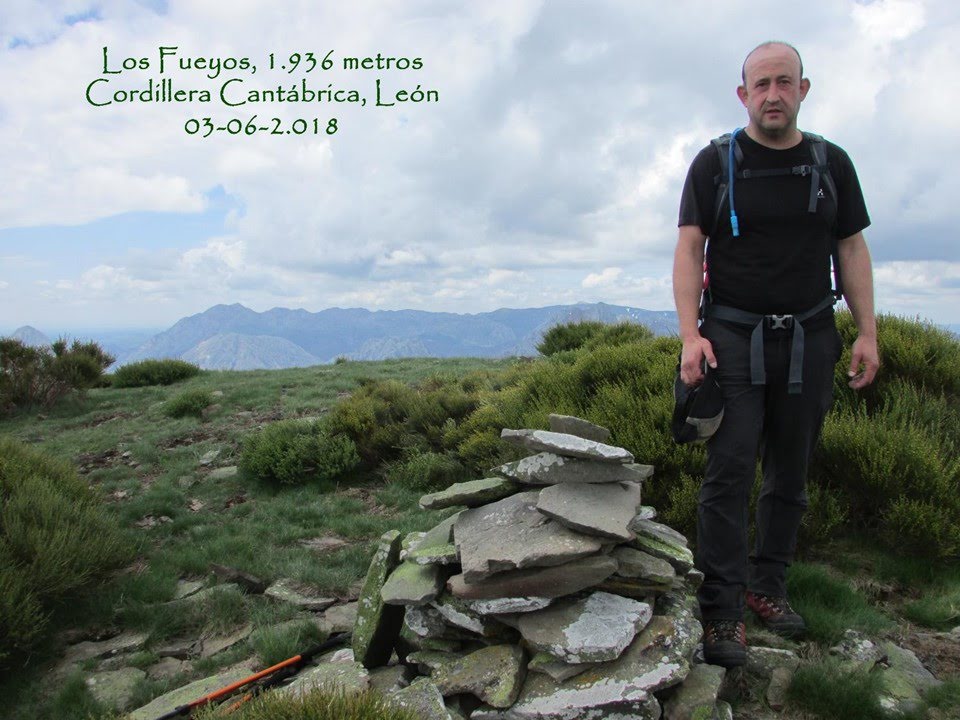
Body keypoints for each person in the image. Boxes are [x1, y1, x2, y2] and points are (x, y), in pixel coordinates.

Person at [672, 41, 879, 668]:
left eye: (784, 82)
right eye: (760, 84)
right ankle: (722, 610)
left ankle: (768, 587)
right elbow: (689, 248)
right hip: (732, 338)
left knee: (791, 472)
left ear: (803, 89)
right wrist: (690, 336)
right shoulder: (715, 163)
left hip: (812, 337)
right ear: (743, 95)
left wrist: (866, 331)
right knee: (729, 473)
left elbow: (851, 248)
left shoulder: (831, 162)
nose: (772, 95)